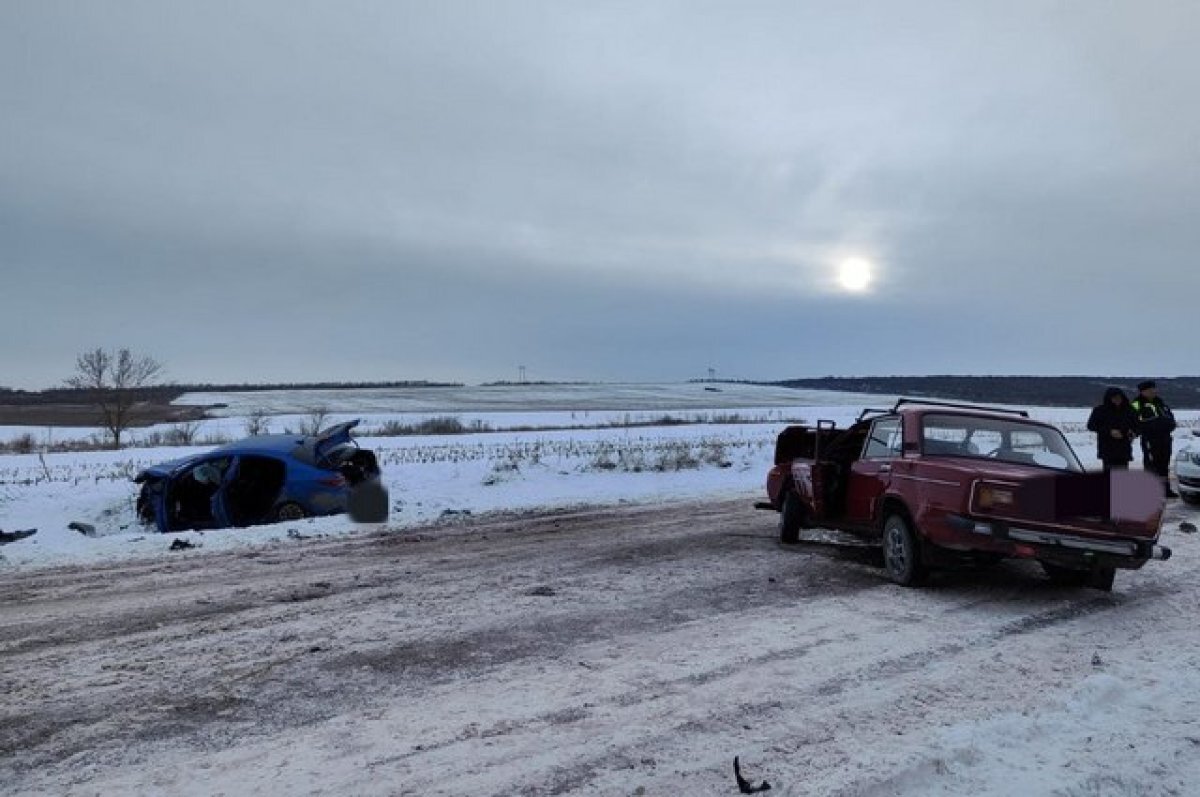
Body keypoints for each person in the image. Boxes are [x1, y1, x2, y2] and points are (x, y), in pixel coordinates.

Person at [1130, 380, 1178, 497]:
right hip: (1150, 439)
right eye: (1150, 390)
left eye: (1154, 389)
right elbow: (1132, 421)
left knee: (1164, 465)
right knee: (1151, 465)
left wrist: (1170, 425)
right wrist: (1143, 429)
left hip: (1165, 438)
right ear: (1143, 391)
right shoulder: (1136, 404)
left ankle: (1165, 489)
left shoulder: (1161, 403)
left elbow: (1170, 418)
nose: (1153, 391)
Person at [1086, 387, 1137, 473]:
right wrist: (1109, 431)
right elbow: (1091, 425)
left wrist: (1133, 432)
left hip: (1123, 448)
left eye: (1119, 397)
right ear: (1109, 398)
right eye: (1114, 398)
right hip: (1107, 448)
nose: (1117, 400)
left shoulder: (1129, 410)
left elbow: (1137, 425)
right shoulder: (1100, 411)